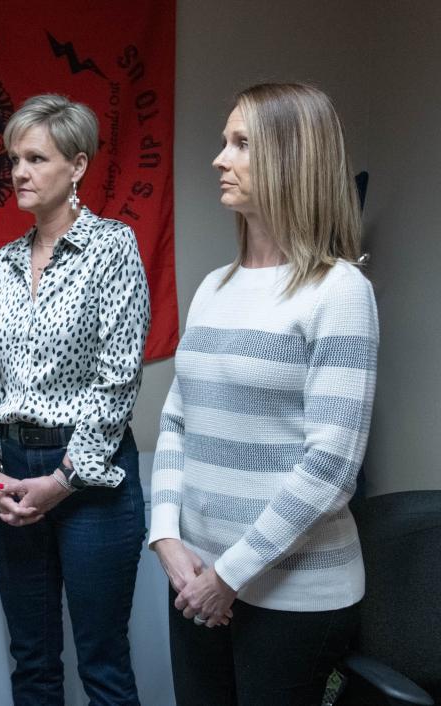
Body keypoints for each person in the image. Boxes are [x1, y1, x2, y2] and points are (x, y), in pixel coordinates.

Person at [149, 83, 378, 705]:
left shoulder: (339, 292)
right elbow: (175, 424)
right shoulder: (212, 287)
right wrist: (167, 537)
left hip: (292, 598)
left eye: (241, 144)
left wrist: (230, 575)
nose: (220, 158)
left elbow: (330, 467)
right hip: (194, 580)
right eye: (225, 142)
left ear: (291, 158)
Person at [0, 94, 151, 706]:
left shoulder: (112, 247)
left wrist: (64, 480)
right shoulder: (6, 263)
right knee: (33, 663)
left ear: (77, 166)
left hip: (90, 478)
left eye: (35, 158)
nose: (18, 171)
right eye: (13, 158)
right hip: (13, 471)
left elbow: (117, 379)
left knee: (103, 663)